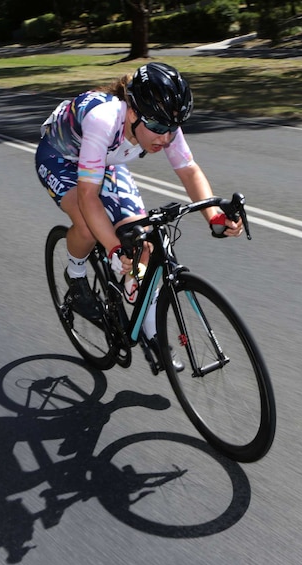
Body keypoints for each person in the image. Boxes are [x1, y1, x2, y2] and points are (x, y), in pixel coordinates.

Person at [35, 62, 242, 356]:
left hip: (105, 160)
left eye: (172, 129)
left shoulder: (162, 122)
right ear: (132, 112)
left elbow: (189, 171)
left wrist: (215, 216)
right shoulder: (103, 120)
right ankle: (77, 276)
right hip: (60, 157)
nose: (165, 139)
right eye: (158, 129)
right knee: (88, 226)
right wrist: (112, 248)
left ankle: (149, 328)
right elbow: (88, 196)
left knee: (141, 238)